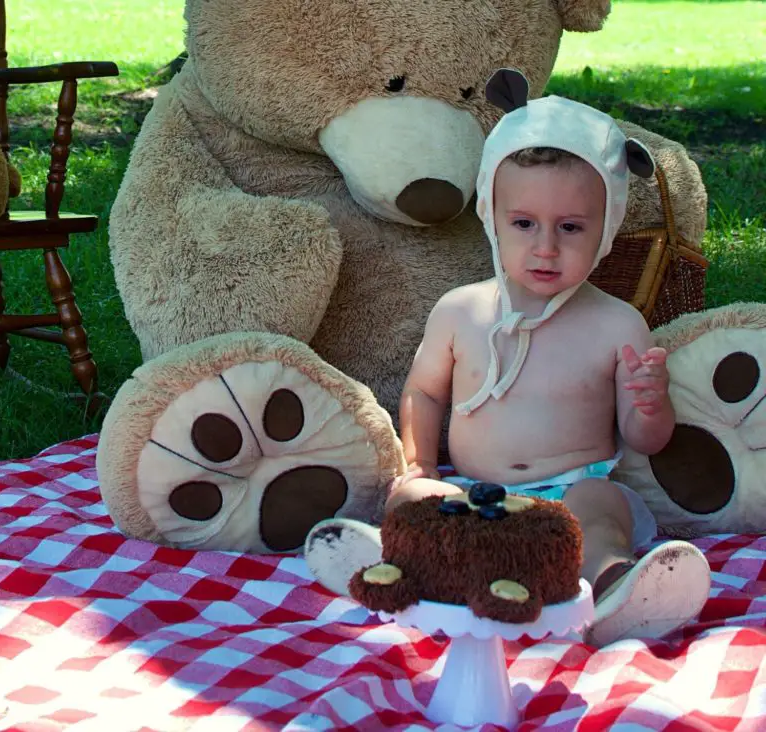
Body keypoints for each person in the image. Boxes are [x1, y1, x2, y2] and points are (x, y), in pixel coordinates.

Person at [305, 78, 711, 648]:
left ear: (607, 227)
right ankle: (395, 563)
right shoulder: (461, 311)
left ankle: (614, 588)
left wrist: (650, 403)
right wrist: (420, 465)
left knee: (600, 511)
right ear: (491, 216)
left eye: (570, 228)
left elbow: (644, 440)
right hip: (473, 490)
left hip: (574, 487)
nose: (546, 247)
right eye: (524, 224)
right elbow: (425, 393)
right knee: (416, 500)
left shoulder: (617, 324)